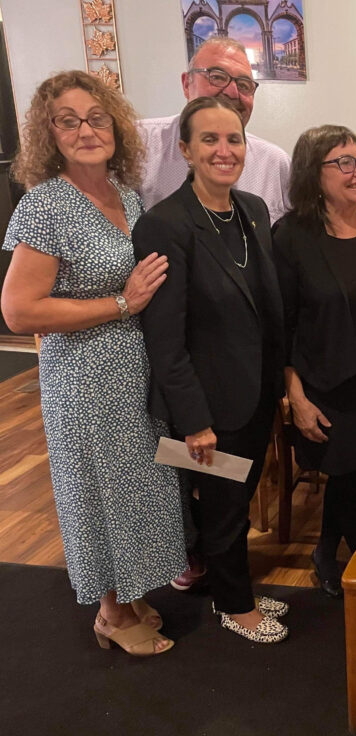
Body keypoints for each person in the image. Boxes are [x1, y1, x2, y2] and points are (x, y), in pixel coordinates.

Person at [0, 71, 185, 655]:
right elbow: (18, 311)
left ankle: (130, 593)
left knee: (136, 487)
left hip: (133, 371)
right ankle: (110, 611)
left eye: (96, 118)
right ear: (47, 133)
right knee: (98, 493)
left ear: (116, 126)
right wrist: (121, 304)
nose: (86, 131)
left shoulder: (124, 194)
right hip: (83, 379)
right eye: (68, 121)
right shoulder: (45, 205)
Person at [133, 96, 289, 643]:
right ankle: (236, 606)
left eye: (234, 139)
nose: (225, 150)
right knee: (222, 506)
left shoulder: (253, 209)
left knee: (237, 501)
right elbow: (165, 339)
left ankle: (231, 588)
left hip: (255, 394)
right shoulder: (164, 225)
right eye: (210, 140)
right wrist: (195, 421)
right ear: (185, 149)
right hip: (208, 404)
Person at [273, 125, 356, 597]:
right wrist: (295, 396)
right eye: (344, 162)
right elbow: (281, 324)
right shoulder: (292, 236)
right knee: (350, 470)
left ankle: (331, 551)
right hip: (328, 381)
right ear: (314, 173)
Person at [138, 35, 290, 222]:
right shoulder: (139, 143)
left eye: (244, 85)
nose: (232, 92)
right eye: (217, 77)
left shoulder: (275, 164)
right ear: (187, 84)